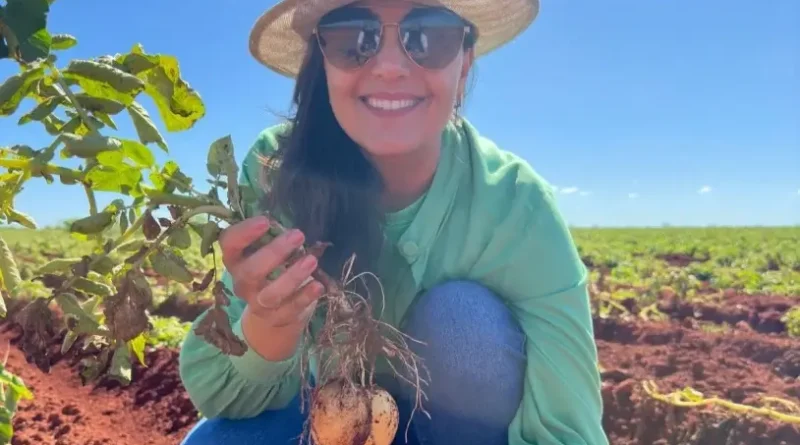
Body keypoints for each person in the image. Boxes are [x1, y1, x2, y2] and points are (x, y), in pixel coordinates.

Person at [178, 0, 608, 444]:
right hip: (326, 421)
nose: (388, 66)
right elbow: (220, 399)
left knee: (463, 321)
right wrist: (272, 322)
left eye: (428, 36)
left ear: (463, 68)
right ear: (321, 63)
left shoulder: (516, 205)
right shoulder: (277, 172)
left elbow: (568, 429)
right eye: (353, 39)